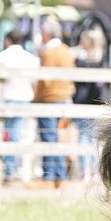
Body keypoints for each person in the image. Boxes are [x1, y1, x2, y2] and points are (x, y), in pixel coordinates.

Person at [33, 17, 75, 188]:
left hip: (49, 99)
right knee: (56, 138)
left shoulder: (49, 53)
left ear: (47, 34)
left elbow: (45, 80)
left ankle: (50, 176)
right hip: (63, 98)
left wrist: (35, 99)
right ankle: (59, 175)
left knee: (49, 138)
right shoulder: (66, 50)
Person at [0, 29, 38, 183]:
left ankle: (5, 168)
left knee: (2, 135)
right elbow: (34, 81)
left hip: (5, 98)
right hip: (23, 98)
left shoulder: (0, 57)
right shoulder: (31, 59)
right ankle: (11, 170)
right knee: (16, 135)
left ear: (7, 40)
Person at [72, 29, 109, 183]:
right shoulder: (103, 62)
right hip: (97, 103)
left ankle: (86, 171)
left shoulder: (81, 61)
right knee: (92, 138)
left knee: (84, 137)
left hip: (84, 102)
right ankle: (92, 171)